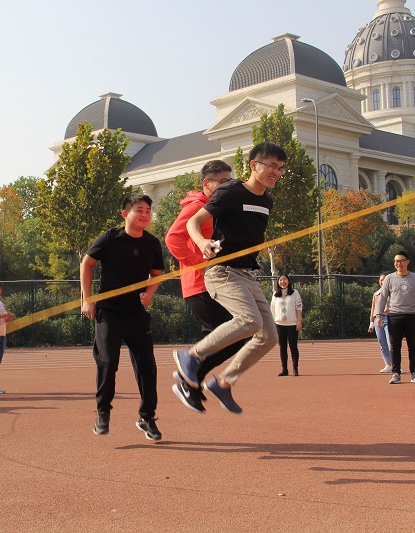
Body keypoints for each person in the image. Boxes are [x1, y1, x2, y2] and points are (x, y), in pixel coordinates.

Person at [173, 141, 286, 414]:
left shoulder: (267, 201)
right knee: (249, 321)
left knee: (269, 336)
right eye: (272, 166)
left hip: (248, 275)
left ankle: (223, 382)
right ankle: (191, 355)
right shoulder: (230, 192)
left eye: (281, 168)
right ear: (254, 165)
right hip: (222, 272)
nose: (276, 172)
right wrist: (202, 243)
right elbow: (193, 222)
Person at [164, 159, 246, 413]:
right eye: (221, 181)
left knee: (234, 335)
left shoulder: (216, 208)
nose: (226, 185)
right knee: (236, 334)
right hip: (200, 285)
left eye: (229, 181)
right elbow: (172, 238)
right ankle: (189, 378)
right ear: (206, 184)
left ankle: (191, 381)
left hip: (217, 283)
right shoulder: (196, 207)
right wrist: (199, 263)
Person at [81, 193, 164, 441]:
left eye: (148, 211)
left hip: (136, 313)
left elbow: (156, 274)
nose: (145, 215)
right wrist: (87, 299)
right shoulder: (110, 238)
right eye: (139, 210)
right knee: (107, 362)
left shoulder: (152, 243)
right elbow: (86, 264)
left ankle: (147, 417)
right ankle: (103, 412)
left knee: (147, 366)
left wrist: (149, 293)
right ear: (125, 214)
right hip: (109, 312)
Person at [375, 251, 415, 384]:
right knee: (394, 346)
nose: (398, 263)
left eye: (401, 261)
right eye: (396, 261)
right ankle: (396, 374)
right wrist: (378, 315)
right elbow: (382, 298)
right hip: (394, 316)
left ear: (407, 262)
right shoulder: (389, 278)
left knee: (413, 346)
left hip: (411, 315)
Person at [270, 273, 303, 376]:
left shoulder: (295, 293)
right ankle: (284, 369)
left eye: (284, 279)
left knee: (293, 346)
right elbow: (272, 309)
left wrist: (299, 321)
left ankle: (295, 369)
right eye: (280, 280)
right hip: (279, 325)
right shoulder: (275, 295)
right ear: (278, 282)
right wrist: (272, 323)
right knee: (282, 347)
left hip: (292, 324)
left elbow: (299, 307)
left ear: (288, 281)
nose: (282, 282)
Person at [369, 273, 393, 373]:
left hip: (389, 318)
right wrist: (371, 323)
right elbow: (373, 308)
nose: (382, 281)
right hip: (378, 320)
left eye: (384, 279)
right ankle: (388, 364)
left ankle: (396, 365)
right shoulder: (376, 294)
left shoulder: (392, 293)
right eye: (381, 280)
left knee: (391, 343)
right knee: (382, 343)